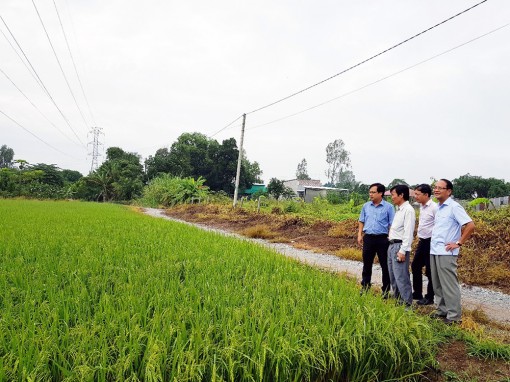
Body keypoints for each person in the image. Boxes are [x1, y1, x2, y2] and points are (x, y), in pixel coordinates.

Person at [430, 179, 475, 324]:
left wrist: (459, 242)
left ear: (449, 191)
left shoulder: (454, 207)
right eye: (435, 187)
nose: (436, 190)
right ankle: (442, 311)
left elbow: (470, 225)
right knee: (437, 284)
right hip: (435, 250)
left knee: (449, 284)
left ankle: (454, 317)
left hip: (446, 252)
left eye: (440, 188)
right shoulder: (438, 207)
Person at [357, 183, 395, 296]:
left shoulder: (389, 207)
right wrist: (360, 234)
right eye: (370, 192)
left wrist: (390, 237)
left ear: (380, 193)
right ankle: (365, 286)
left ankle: (386, 290)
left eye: (373, 192)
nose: (371, 194)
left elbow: (392, 224)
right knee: (367, 264)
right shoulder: (366, 206)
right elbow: (361, 221)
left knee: (385, 265)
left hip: (383, 239)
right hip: (368, 238)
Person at [387, 184, 415, 306]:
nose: (392, 197)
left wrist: (403, 250)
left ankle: (407, 304)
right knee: (393, 276)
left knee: (401, 277)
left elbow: (408, 232)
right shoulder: (399, 210)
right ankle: (398, 301)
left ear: (401, 195)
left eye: (393, 195)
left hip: (399, 247)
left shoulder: (408, 210)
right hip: (392, 245)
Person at [412, 184, 438, 305]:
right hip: (422, 241)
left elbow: (438, 225)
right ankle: (417, 292)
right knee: (415, 266)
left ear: (426, 195)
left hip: (431, 242)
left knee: (430, 270)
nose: (415, 196)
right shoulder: (422, 207)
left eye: (418, 194)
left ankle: (429, 297)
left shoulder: (434, 208)